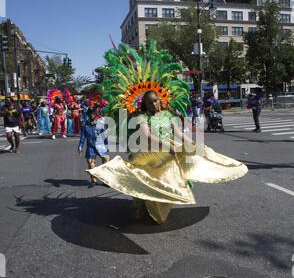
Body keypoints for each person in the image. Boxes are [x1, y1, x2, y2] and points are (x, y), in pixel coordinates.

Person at [86, 42, 248, 224]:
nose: (155, 104)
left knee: (173, 173)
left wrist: (191, 142)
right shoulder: (141, 117)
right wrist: (164, 146)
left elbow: (178, 132)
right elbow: (147, 136)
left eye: (156, 101)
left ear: (160, 100)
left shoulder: (168, 115)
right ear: (144, 105)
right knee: (142, 178)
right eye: (150, 103)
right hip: (147, 152)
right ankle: (139, 205)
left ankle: (163, 202)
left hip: (167, 148)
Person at [78, 107, 109, 186]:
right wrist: (80, 146)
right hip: (91, 146)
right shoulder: (85, 125)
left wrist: (106, 145)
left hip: (100, 145)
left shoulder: (100, 123)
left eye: (93, 114)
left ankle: (105, 180)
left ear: (96, 115)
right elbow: (82, 137)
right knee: (90, 163)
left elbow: (104, 135)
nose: (92, 115)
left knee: (106, 161)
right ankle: (93, 180)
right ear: (88, 115)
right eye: (90, 114)